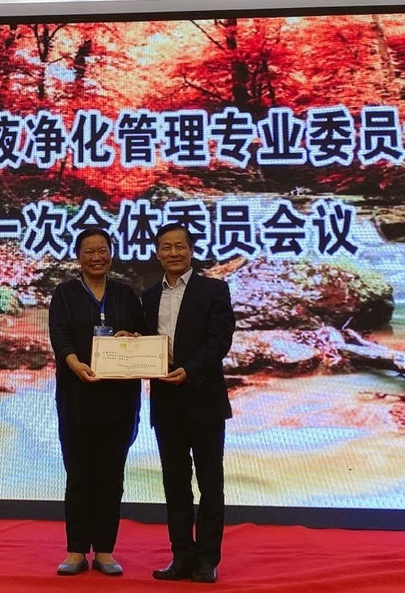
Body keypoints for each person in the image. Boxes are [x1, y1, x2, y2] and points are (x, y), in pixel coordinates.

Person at [47, 228, 145, 577]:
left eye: (102, 250)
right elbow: (60, 336)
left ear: (111, 254)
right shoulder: (65, 293)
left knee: (111, 477)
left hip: (119, 400)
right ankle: (76, 550)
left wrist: (132, 337)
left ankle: (104, 549)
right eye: (89, 251)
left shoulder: (126, 294)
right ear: (78, 256)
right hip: (77, 398)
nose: (96, 257)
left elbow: (143, 336)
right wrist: (75, 364)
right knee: (79, 475)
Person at [143, 223, 236, 584]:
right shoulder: (150, 295)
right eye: (165, 247)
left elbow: (220, 340)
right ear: (157, 253)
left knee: (210, 482)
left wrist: (189, 370)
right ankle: (182, 555)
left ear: (191, 250)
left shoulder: (214, 290)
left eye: (179, 246)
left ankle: (208, 559)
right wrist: (127, 343)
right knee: (175, 482)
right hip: (165, 400)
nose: (173, 253)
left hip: (204, 397)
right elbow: (145, 341)